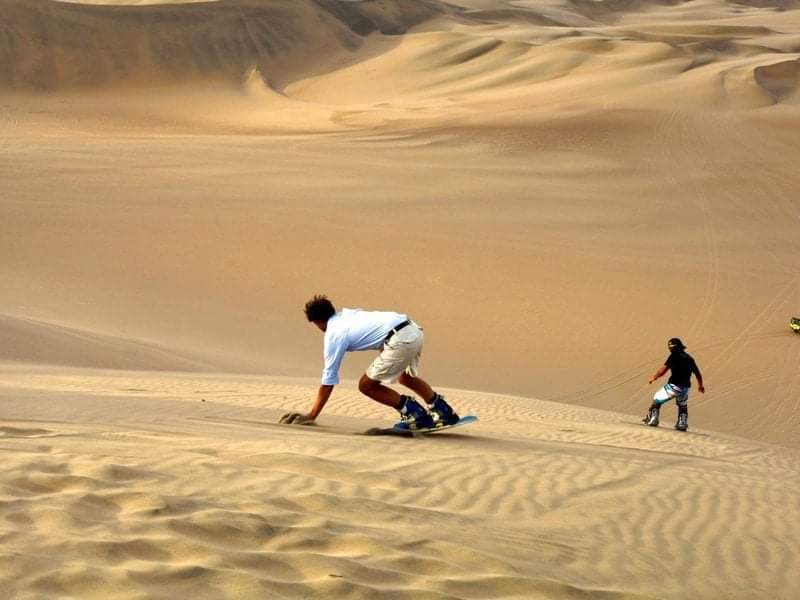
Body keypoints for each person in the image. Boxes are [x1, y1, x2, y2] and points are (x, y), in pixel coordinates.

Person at [279, 295, 460, 430]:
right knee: (404, 378)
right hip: (413, 329)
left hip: (399, 339)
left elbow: (329, 379)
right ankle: (443, 411)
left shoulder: (334, 333)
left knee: (366, 385)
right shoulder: (347, 315)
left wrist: (312, 414)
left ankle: (415, 414)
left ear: (317, 322)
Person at [643, 337, 705, 431]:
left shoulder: (674, 356)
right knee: (682, 404)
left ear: (673, 347)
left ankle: (653, 419)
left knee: (657, 399)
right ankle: (682, 423)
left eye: (669, 346)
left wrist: (655, 377)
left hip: (673, 386)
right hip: (685, 388)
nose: (669, 348)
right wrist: (700, 385)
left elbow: (663, 370)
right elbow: (697, 373)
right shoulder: (689, 358)